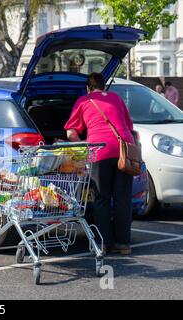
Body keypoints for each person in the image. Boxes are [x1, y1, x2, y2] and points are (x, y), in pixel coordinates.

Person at [64, 73, 135, 255]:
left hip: (100, 151)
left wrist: (81, 150)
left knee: (102, 198)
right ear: (104, 87)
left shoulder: (84, 100)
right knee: (122, 199)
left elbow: (71, 133)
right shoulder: (116, 98)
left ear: (88, 88)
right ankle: (123, 244)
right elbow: (129, 126)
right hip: (124, 151)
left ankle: (102, 244)